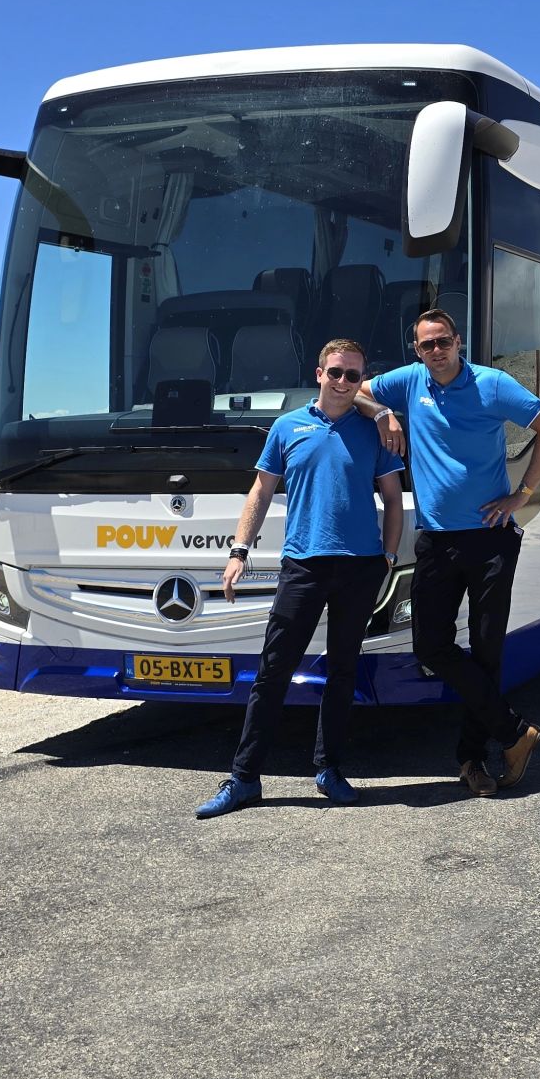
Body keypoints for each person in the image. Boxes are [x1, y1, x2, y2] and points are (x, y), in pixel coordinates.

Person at [195, 338, 403, 818]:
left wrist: (387, 557)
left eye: (354, 375)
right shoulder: (288, 427)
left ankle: (329, 770)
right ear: (319, 373)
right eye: (337, 372)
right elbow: (260, 492)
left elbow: (393, 498)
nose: (345, 382)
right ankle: (244, 779)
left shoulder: (374, 432)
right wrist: (238, 552)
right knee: (273, 673)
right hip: (303, 566)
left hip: (359, 567)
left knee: (343, 671)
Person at [360, 308, 540, 796]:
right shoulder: (411, 381)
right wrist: (385, 412)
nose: (436, 351)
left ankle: (472, 760)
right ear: (417, 350)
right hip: (436, 540)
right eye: (427, 345)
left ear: (458, 342)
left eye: (444, 342)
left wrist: (524, 493)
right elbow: (360, 392)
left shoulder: (492, 384)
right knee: (430, 646)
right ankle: (516, 733)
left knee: (487, 650)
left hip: (491, 539)